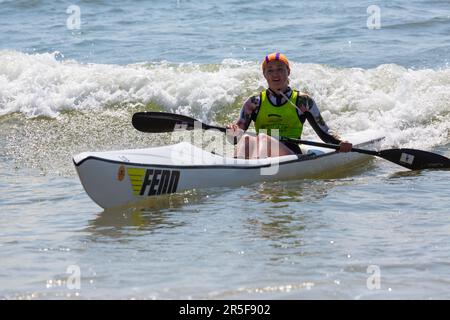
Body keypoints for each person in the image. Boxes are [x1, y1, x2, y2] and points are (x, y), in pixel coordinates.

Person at [226, 52, 352, 159]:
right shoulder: (254, 103)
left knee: (263, 138)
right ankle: (236, 171)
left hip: (290, 155)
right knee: (246, 139)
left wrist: (340, 142)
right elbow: (234, 140)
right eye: (270, 70)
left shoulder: (303, 101)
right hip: (262, 155)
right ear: (264, 75)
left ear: (288, 71)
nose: (275, 74)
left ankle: (252, 172)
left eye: (280, 69)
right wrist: (232, 131)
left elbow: (324, 132)